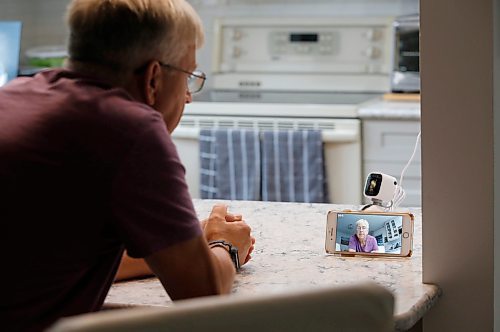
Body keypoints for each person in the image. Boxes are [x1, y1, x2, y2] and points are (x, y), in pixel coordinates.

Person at [0, 0, 255, 331]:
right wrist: (227, 246)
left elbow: (59, 258)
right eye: (188, 77)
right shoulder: (131, 129)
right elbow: (202, 294)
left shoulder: (16, 94)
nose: (189, 97)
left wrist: (189, 244)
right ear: (153, 78)